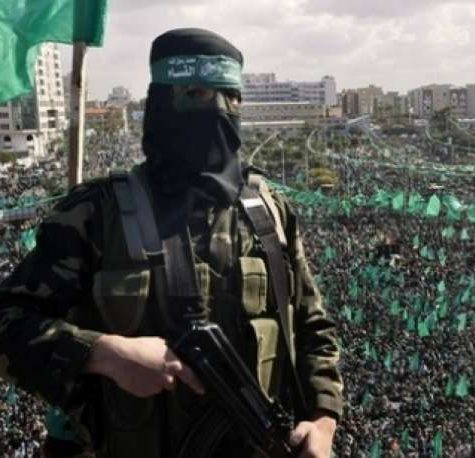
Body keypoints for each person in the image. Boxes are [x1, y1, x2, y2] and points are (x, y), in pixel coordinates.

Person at [0, 28, 342, 458]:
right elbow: (9, 321)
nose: (220, 110)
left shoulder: (267, 212)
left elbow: (312, 326)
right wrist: (104, 354)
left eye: (232, 98)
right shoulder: (97, 214)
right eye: (197, 94)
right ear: (161, 103)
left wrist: (323, 418)